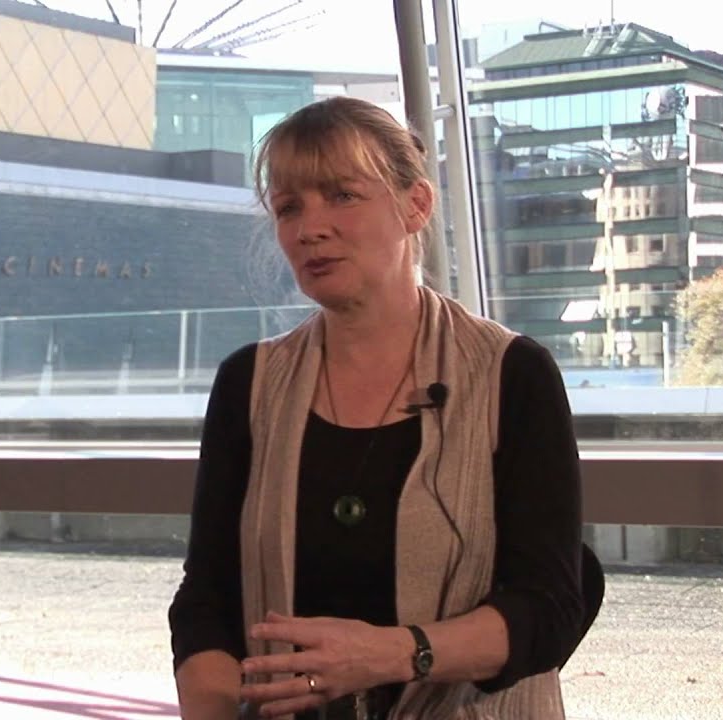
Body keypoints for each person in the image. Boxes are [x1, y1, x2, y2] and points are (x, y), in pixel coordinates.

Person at [167, 96, 586, 720]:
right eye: (289, 208)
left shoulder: (511, 375)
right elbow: (206, 601)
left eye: (341, 195)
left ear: (415, 205)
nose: (310, 227)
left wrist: (394, 654)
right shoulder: (248, 384)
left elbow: (549, 608)